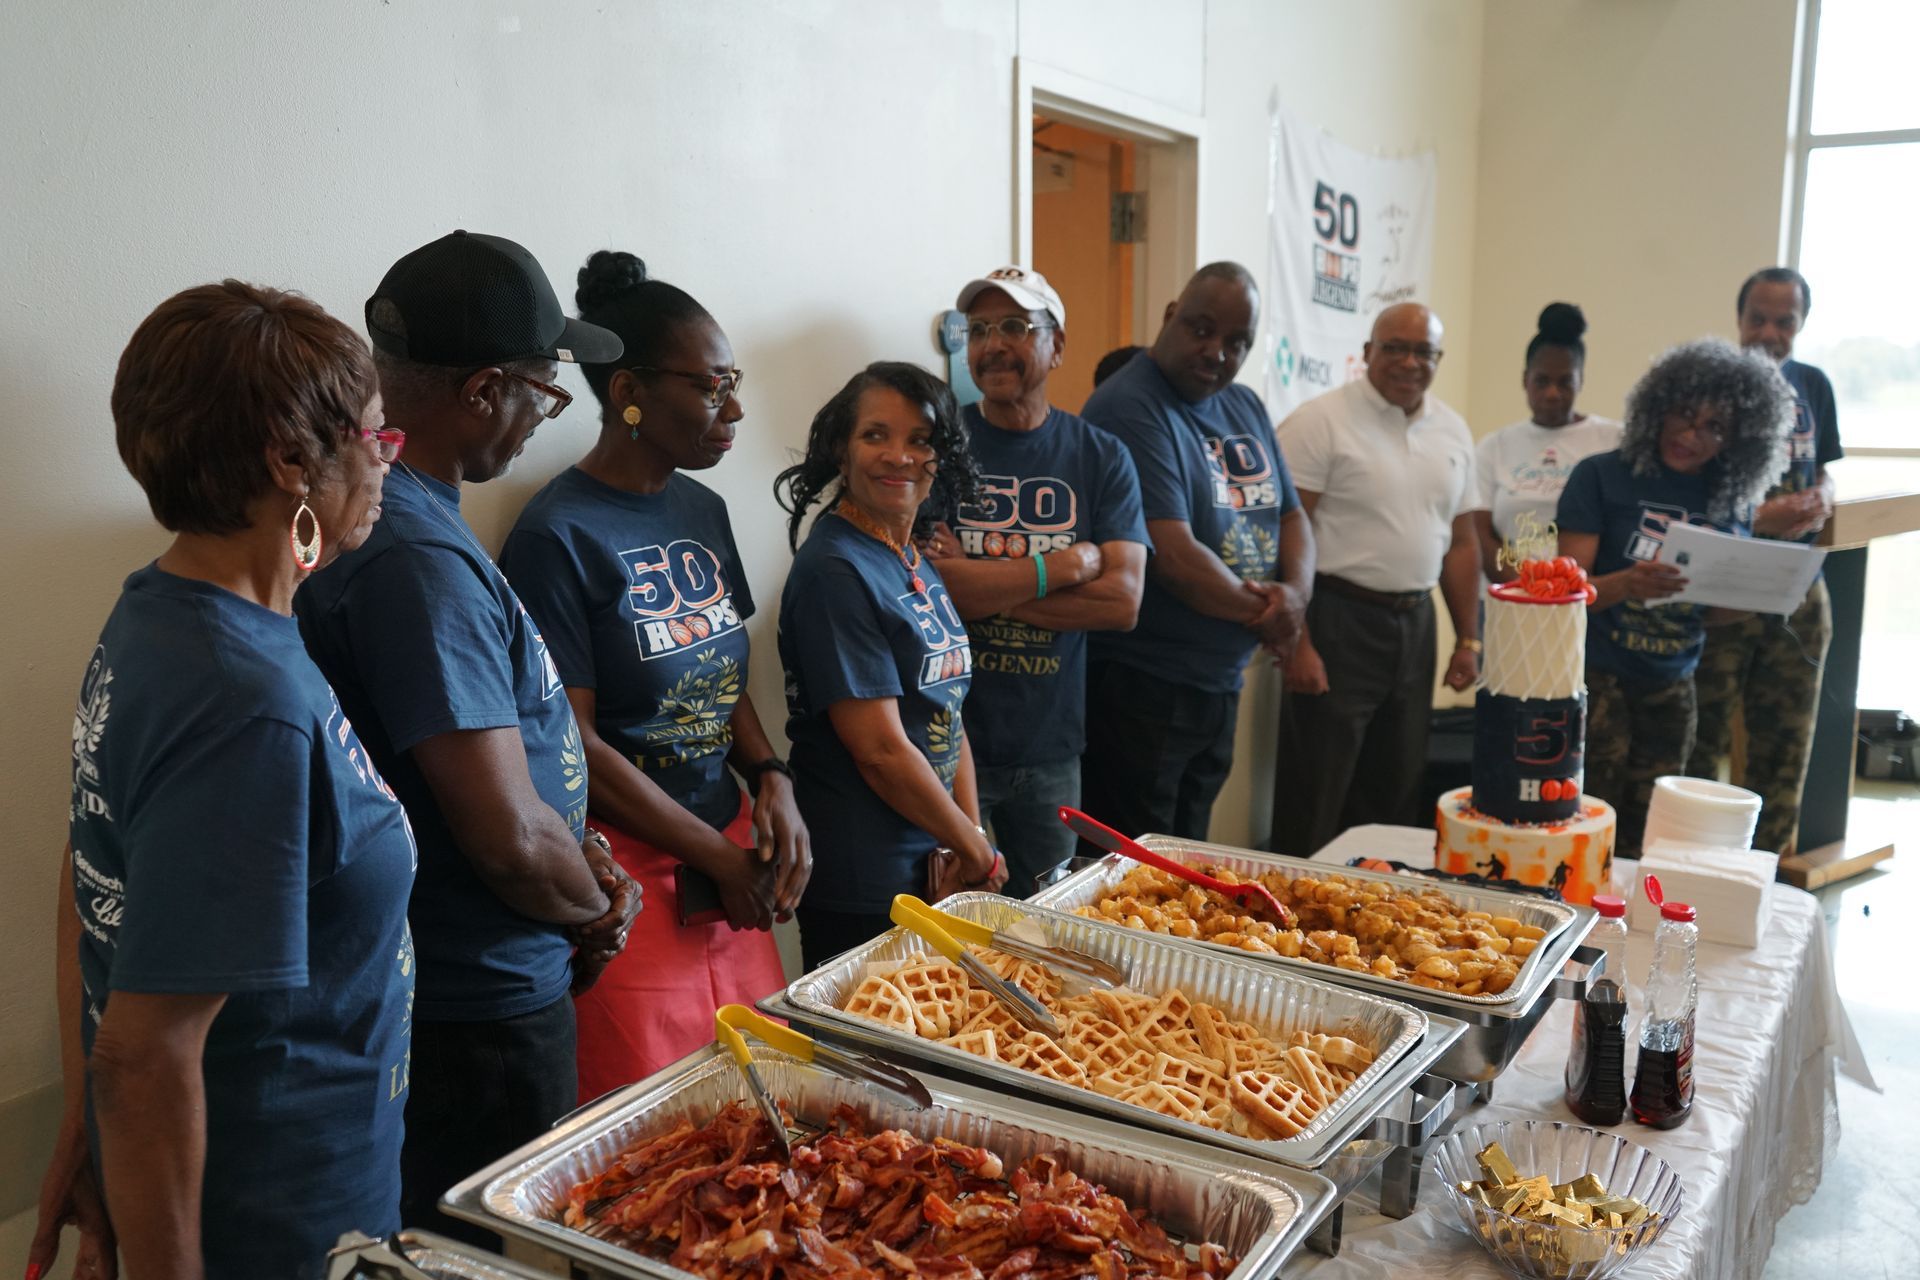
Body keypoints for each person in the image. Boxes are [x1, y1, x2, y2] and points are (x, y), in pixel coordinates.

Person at [31, 281, 413, 1279]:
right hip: (274, 1219)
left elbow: (91, 877)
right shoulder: (241, 696)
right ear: (291, 458)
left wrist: (87, 1130)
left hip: (294, 1188)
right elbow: (145, 1055)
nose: (385, 464)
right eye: (375, 439)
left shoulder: (163, 617)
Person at [295, 231, 643, 1243]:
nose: (547, 415)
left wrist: (576, 854)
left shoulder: (411, 517)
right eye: (548, 388)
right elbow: (502, 833)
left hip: (477, 978)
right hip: (473, 1006)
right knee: (486, 1253)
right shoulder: (413, 557)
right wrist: (592, 904)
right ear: (486, 388)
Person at [499, 250, 809, 1100]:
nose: (734, 407)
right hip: (632, 879)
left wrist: (771, 777)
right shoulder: (555, 535)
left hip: (729, 864)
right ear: (630, 389)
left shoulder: (701, 508)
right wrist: (713, 850)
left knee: (764, 1105)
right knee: (659, 1131)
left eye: (733, 381)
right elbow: (573, 742)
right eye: (712, 387)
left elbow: (720, 673)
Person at [920, 267, 1147, 894]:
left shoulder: (1100, 456)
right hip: (946, 744)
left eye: (1016, 327)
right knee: (957, 930)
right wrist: (1061, 568)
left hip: (1052, 750)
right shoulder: (941, 443)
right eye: (980, 329)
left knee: (1046, 927)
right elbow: (930, 592)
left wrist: (980, 583)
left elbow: (1122, 602)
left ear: (1057, 345)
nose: (993, 344)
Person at [775, 362, 1005, 969]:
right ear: (840, 451)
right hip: (864, 878)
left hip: (936, 861)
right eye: (875, 435)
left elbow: (947, 716)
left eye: (919, 439)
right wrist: (973, 851)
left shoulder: (908, 554)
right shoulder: (835, 569)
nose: (897, 455)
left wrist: (970, 839)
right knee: (865, 1061)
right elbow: (879, 751)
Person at [1078, 263, 1314, 843]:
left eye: (1237, 342)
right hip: (1144, 686)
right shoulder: (1128, 405)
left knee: (1189, 864)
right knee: (1135, 874)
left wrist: (1298, 597)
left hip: (1220, 678)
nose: (1216, 352)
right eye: (1202, 329)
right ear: (1169, 317)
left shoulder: (1246, 406)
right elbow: (1176, 557)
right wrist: (1269, 614)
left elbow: (1292, 515)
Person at [1557, 338, 1793, 856]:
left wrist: (1763, 593)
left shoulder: (1730, 500)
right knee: (1588, 822)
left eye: (1715, 427)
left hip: (1673, 685)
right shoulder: (1600, 475)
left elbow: (1712, 612)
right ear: (1657, 407)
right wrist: (1626, 584)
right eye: (1684, 414)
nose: (1693, 434)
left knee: (1655, 837)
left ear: (1737, 438)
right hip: (1599, 678)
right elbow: (1566, 593)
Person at [1273, 303, 1481, 856]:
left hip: (1415, 624)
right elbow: (1285, 534)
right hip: (1336, 619)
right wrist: (1297, 642)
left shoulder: (1453, 429)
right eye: (1394, 347)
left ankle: (1372, 922)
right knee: (1316, 789)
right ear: (1367, 352)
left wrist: (1469, 637)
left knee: (1396, 784)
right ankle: (1289, 929)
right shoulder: (1319, 421)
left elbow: (1461, 544)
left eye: (1424, 351)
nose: (1409, 361)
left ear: (1438, 359)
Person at [1685, 268, 1844, 855]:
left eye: (1784, 321)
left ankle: (1767, 877)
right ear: (1738, 318)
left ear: (1800, 324)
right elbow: (1686, 494)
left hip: (1799, 588)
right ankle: (1698, 873)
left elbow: (1822, 470)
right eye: (1758, 318)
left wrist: (1823, 497)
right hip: (1724, 584)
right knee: (1701, 747)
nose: (1769, 332)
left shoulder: (1814, 385)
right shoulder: (1708, 389)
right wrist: (1759, 518)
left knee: (1784, 749)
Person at [1472, 303, 1622, 579]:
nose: (1552, 393)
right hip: (1506, 596)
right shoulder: (1493, 447)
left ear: (1581, 382)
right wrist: (1525, 585)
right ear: (1524, 380)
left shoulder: (1613, 440)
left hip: (1581, 601)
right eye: (1541, 381)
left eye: (1565, 382)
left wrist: (1561, 591)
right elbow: (1479, 533)